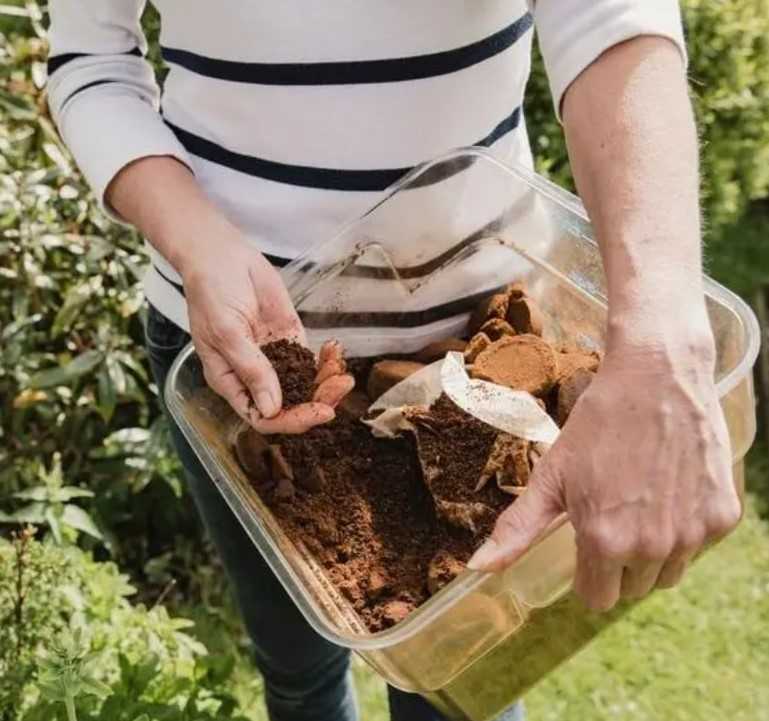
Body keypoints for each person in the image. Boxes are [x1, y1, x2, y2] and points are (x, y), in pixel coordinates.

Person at [46, 2, 741, 720]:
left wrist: (660, 346)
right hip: (243, 365)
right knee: (298, 674)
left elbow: (611, 21)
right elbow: (88, 59)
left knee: (459, 695)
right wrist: (194, 240)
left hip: (487, 361)